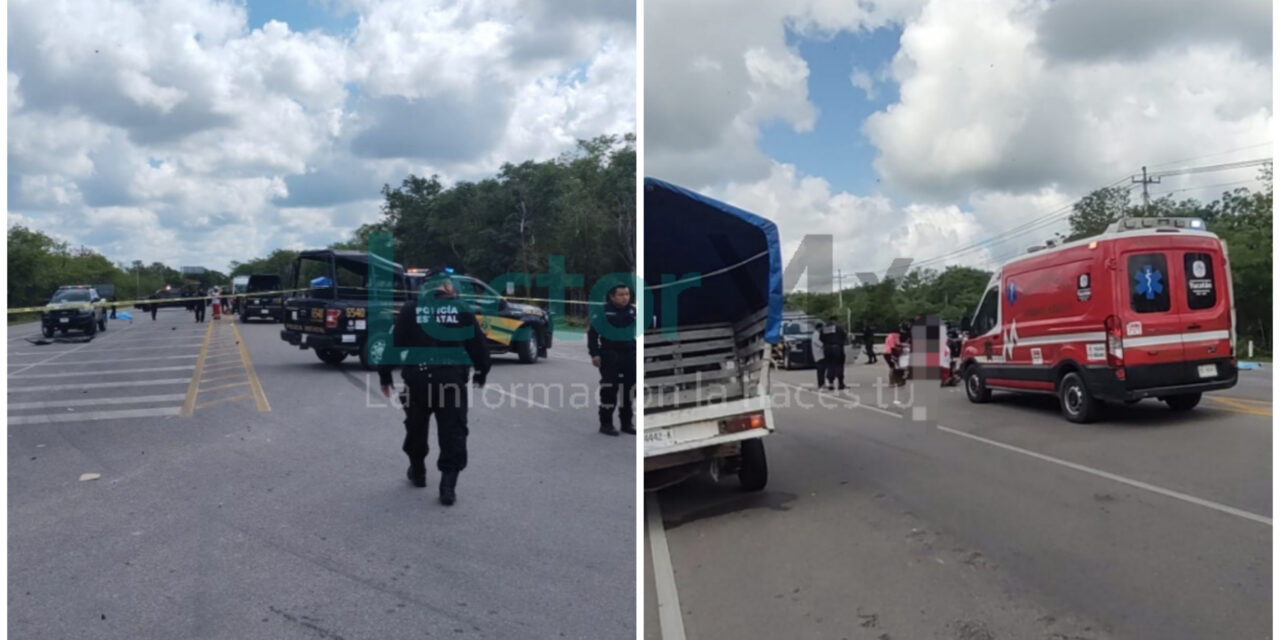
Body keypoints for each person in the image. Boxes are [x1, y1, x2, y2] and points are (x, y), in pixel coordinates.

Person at [378, 267, 491, 506]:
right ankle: (447, 486)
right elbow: (478, 346)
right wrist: (482, 371)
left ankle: (418, 471)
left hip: (418, 380)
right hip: (451, 379)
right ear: (447, 286)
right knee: (453, 433)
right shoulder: (462, 310)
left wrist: (385, 375)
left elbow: (394, 344)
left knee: (416, 428)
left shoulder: (411, 309)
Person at [588, 284, 637, 436]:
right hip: (610, 356)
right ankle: (606, 424)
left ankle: (626, 423)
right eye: (621, 295)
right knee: (609, 390)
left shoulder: (632, 311)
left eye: (627, 294)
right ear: (612, 297)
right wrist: (594, 354)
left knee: (629, 391)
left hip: (629, 355)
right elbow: (593, 335)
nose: (625, 298)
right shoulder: (603, 312)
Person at [822, 322, 848, 390]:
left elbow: (821, 338)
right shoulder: (840, 327)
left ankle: (831, 383)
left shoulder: (825, 328)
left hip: (827, 348)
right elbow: (844, 336)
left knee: (830, 365)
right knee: (839, 365)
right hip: (837, 348)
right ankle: (840, 383)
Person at [810, 321, 826, 388]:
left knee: (822, 370)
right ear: (819, 328)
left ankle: (822, 383)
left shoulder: (817, 334)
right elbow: (818, 342)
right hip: (818, 355)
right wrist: (824, 345)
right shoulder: (815, 334)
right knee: (820, 370)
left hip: (820, 354)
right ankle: (821, 383)